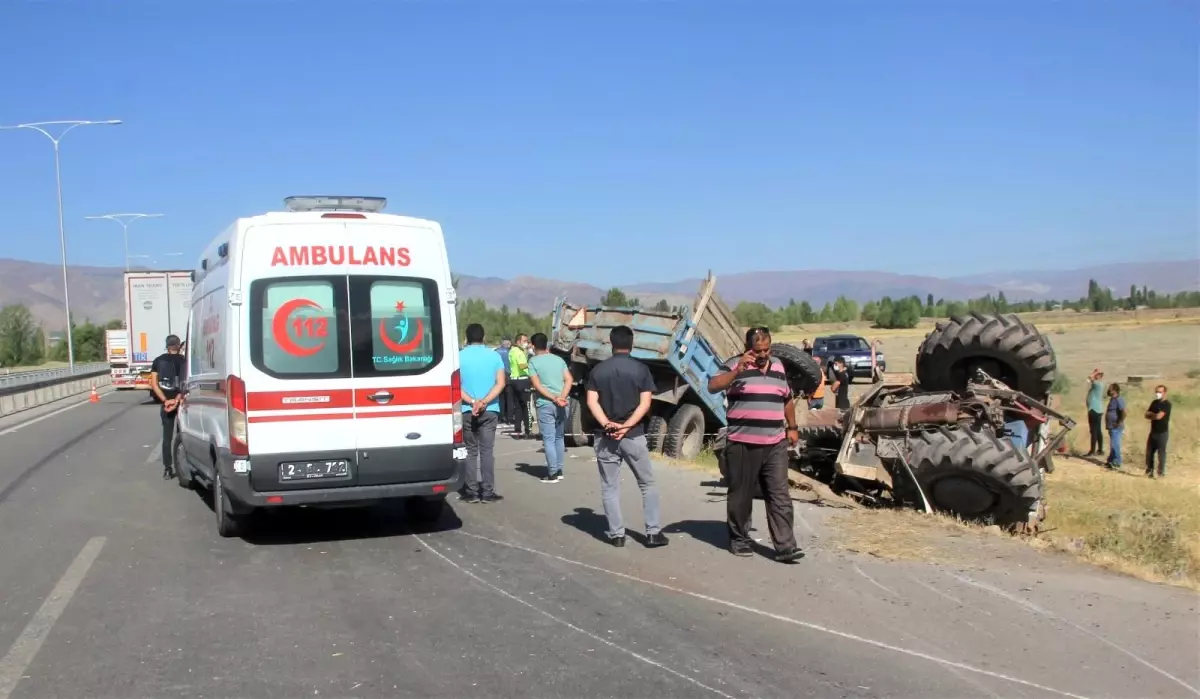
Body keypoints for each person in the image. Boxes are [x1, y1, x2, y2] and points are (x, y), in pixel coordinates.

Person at [707, 326, 804, 563]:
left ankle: (785, 546)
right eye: (757, 350)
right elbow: (712, 386)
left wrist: (792, 427)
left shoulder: (779, 366)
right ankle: (739, 539)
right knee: (742, 494)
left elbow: (787, 399)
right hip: (742, 443)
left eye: (767, 349)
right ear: (747, 348)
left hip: (775, 443)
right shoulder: (733, 364)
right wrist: (737, 371)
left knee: (779, 494)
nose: (763, 355)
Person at [586, 325, 668, 548]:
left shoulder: (598, 370)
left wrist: (607, 425)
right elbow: (645, 403)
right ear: (632, 343)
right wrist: (627, 426)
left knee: (609, 487)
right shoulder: (641, 370)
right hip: (634, 436)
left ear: (611, 343)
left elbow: (591, 401)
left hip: (605, 436)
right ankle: (652, 533)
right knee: (647, 483)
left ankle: (617, 535)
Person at [458, 323, 507, 503]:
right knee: (487, 451)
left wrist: (472, 401)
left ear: (466, 337)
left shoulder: (458, 357)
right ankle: (487, 491)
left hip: (466, 409)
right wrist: (485, 401)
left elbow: (455, 386)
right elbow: (500, 383)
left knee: (470, 451)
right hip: (490, 409)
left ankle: (470, 491)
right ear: (483, 337)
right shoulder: (494, 356)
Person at [528, 333, 573, 482]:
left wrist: (554, 398)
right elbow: (569, 380)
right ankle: (559, 469)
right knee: (559, 437)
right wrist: (561, 397)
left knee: (548, 438)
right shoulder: (559, 360)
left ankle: (552, 472)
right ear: (546, 345)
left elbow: (537, 385)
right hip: (562, 403)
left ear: (533, 346)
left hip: (545, 403)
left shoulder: (533, 362)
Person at [150, 334, 187, 480]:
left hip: (166, 404)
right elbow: (187, 383)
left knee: (167, 437)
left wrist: (165, 400)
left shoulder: (158, 361)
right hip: (182, 403)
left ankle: (167, 468)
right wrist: (177, 399)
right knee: (183, 436)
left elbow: (153, 384)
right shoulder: (185, 361)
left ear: (167, 346)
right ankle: (184, 467)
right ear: (179, 346)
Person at [507, 334, 533, 438]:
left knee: (517, 407)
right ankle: (528, 430)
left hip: (514, 380)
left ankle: (517, 431)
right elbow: (522, 366)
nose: (526, 343)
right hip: (522, 380)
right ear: (518, 342)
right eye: (524, 341)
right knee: (526, 407)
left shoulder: (512, 351)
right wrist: (531, 361)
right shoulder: (519, 352)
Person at [1144, 384, 1171, 479]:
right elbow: (1146, 414)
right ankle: (1149, 471)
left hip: (1162, 432)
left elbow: (1159, 416)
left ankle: (1161, 473)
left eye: (1159, 392)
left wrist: (1153, 415)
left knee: (1161, 453)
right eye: (1156, 391)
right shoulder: (1154, 403)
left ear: (1164, 393)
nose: (1157, 394)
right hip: (1153, 431)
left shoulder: (1167, 404)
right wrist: (1154, 415)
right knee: (1149, 452)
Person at [1104, 383, 1126, 470]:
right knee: (1113, 444)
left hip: (1116, 426)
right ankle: (1111, 460)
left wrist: (1118, 422)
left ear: (1115, 390)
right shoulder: (1112, 399)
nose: (1109, 390)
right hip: (1111, 426)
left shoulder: (1119, 400)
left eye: (1110, 389)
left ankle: (1117, 461)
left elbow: (1123, 412)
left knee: (1115, 444)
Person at [1085, 369, 1106, 456]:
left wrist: (1093, 372)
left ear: (1099, 376)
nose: (1095, 376)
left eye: (1097, 374)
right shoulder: (1099, 384)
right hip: (1097, 409)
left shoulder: (1097, 384)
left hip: (1094, 410)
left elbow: (1089, 378)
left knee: (1093, 430)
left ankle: (1092, 450)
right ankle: (1100, 449)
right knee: (1097, 430)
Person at [495, 338, 512, 425]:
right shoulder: (511, 352)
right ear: (508, 344)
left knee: (500, 398)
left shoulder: (496, 352)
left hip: (499, 376)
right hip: (509, 376)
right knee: (509, 398)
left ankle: (500, 417)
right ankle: (509, 417)